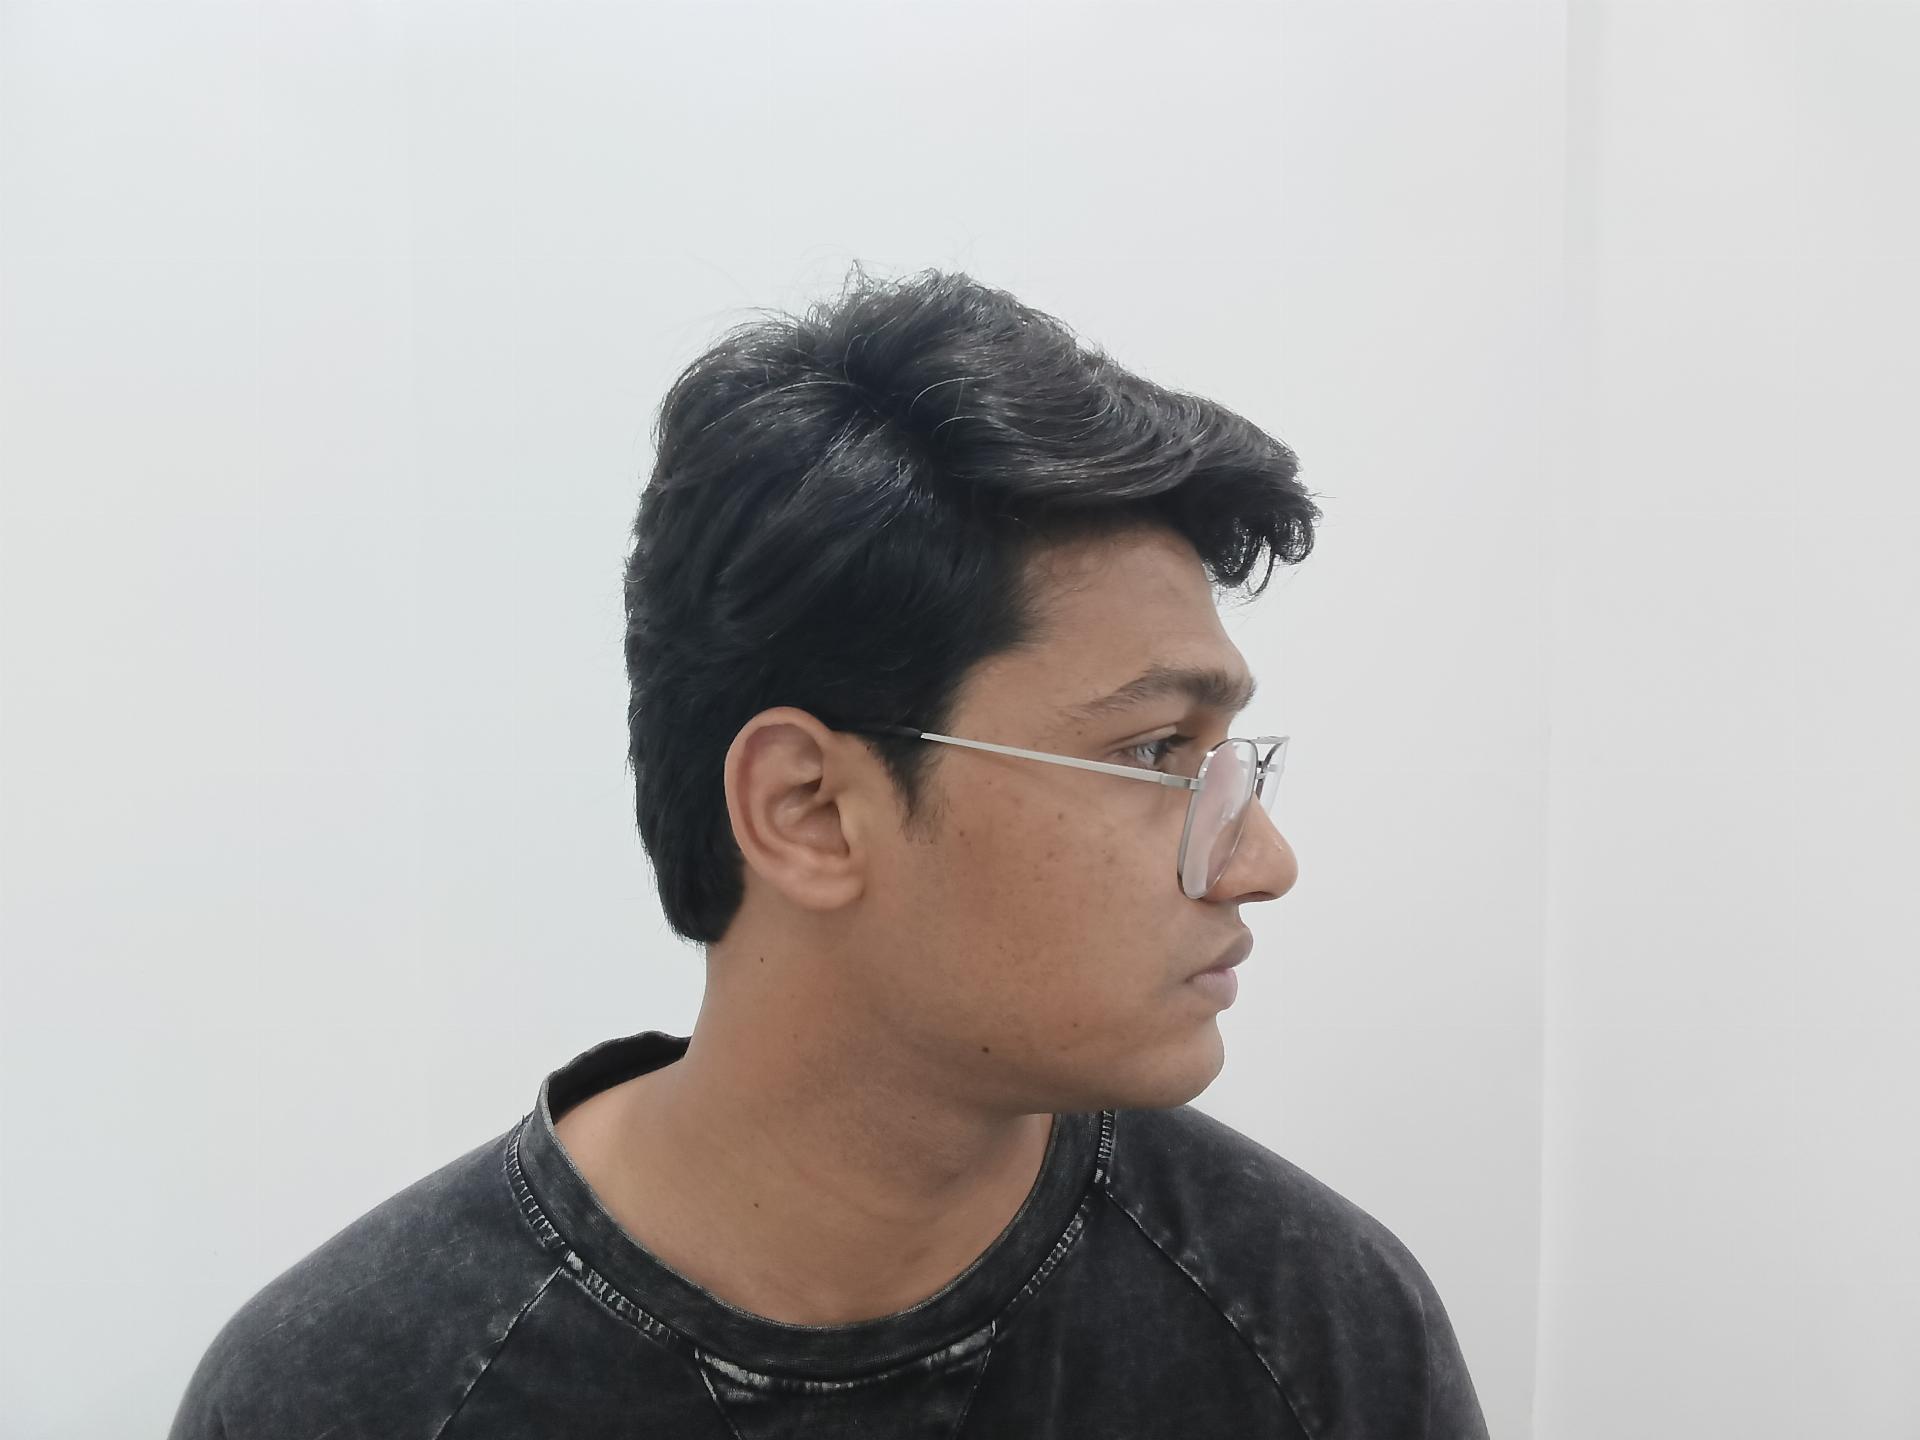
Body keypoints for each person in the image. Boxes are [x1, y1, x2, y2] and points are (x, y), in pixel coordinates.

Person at [167, 265, 1489, 1438]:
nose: (1261, 862)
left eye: (1229, 759)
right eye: (1154, 754)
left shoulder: (1314, 1331)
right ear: (807, 809)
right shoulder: (353, 1394)